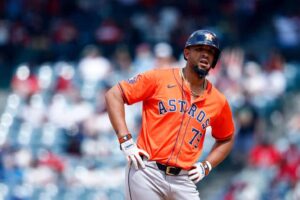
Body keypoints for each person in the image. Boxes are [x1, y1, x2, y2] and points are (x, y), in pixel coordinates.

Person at [105, 30, 235, 200]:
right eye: (200, 49)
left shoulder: (218, 100)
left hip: (183, 179)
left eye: (211, 52)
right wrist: (125, 140)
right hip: (147, 171)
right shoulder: (159, 78)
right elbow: (114, 95)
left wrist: (207, 165)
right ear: (187, 53)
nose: (205, 55)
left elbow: (226, 137)